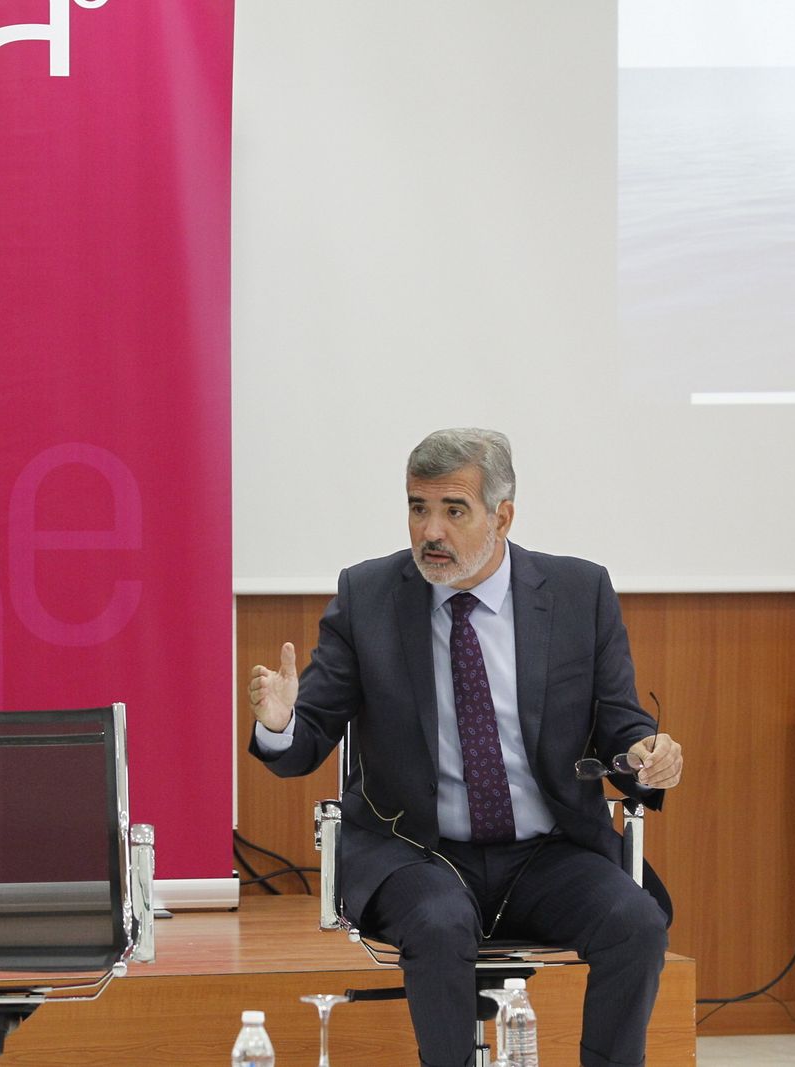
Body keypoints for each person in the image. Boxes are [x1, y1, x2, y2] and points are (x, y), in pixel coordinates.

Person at [247, 427, 682, 1067]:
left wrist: (647, 756)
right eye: (418, 508)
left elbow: (621, 725)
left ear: (502, 516)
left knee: (636, 923)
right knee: (439, 923)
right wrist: (281, 721)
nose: (430, 531)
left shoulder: (577, 593)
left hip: (548, 854)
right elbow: (307, 737)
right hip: (416, 854)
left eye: (454, 510)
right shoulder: (369, 596)